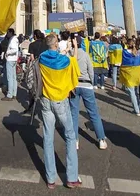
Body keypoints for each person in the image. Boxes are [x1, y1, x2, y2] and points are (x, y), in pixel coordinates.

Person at [38, 33, 81, 189]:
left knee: (48, 138)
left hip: (45, 100)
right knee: (70, 136)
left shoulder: (41, 58)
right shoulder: (65, 60)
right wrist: (73, 48)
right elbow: (76, 71)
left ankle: (50, 179)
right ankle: (71, 178)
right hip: (60, 101)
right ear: (56, 44)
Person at [69, 35, 107, 151]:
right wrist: (91, 83)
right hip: (86, 85)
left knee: (73, 114)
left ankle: (75, 141)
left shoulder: (69, 54)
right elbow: (91, 71)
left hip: (74, 86)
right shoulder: (85, 55)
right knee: (93, 113)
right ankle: (101, 140)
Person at [120, 43, 140, 115]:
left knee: (132, 93)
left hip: (129, 76)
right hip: (138, 75)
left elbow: (122, 63)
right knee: (139, 92)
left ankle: (136, 110)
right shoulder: (138, 53)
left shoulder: (124, 53)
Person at [2, 28, 19, 101]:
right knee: (13, 77)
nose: (7, 34)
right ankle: (14, 93)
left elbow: (15, 49)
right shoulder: (15, 39)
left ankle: (10, 94)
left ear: (11, 33)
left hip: (10, 59)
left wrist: (7, 52)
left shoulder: (12, 40)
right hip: (14, 59)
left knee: (10, 78)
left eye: (8, 33)